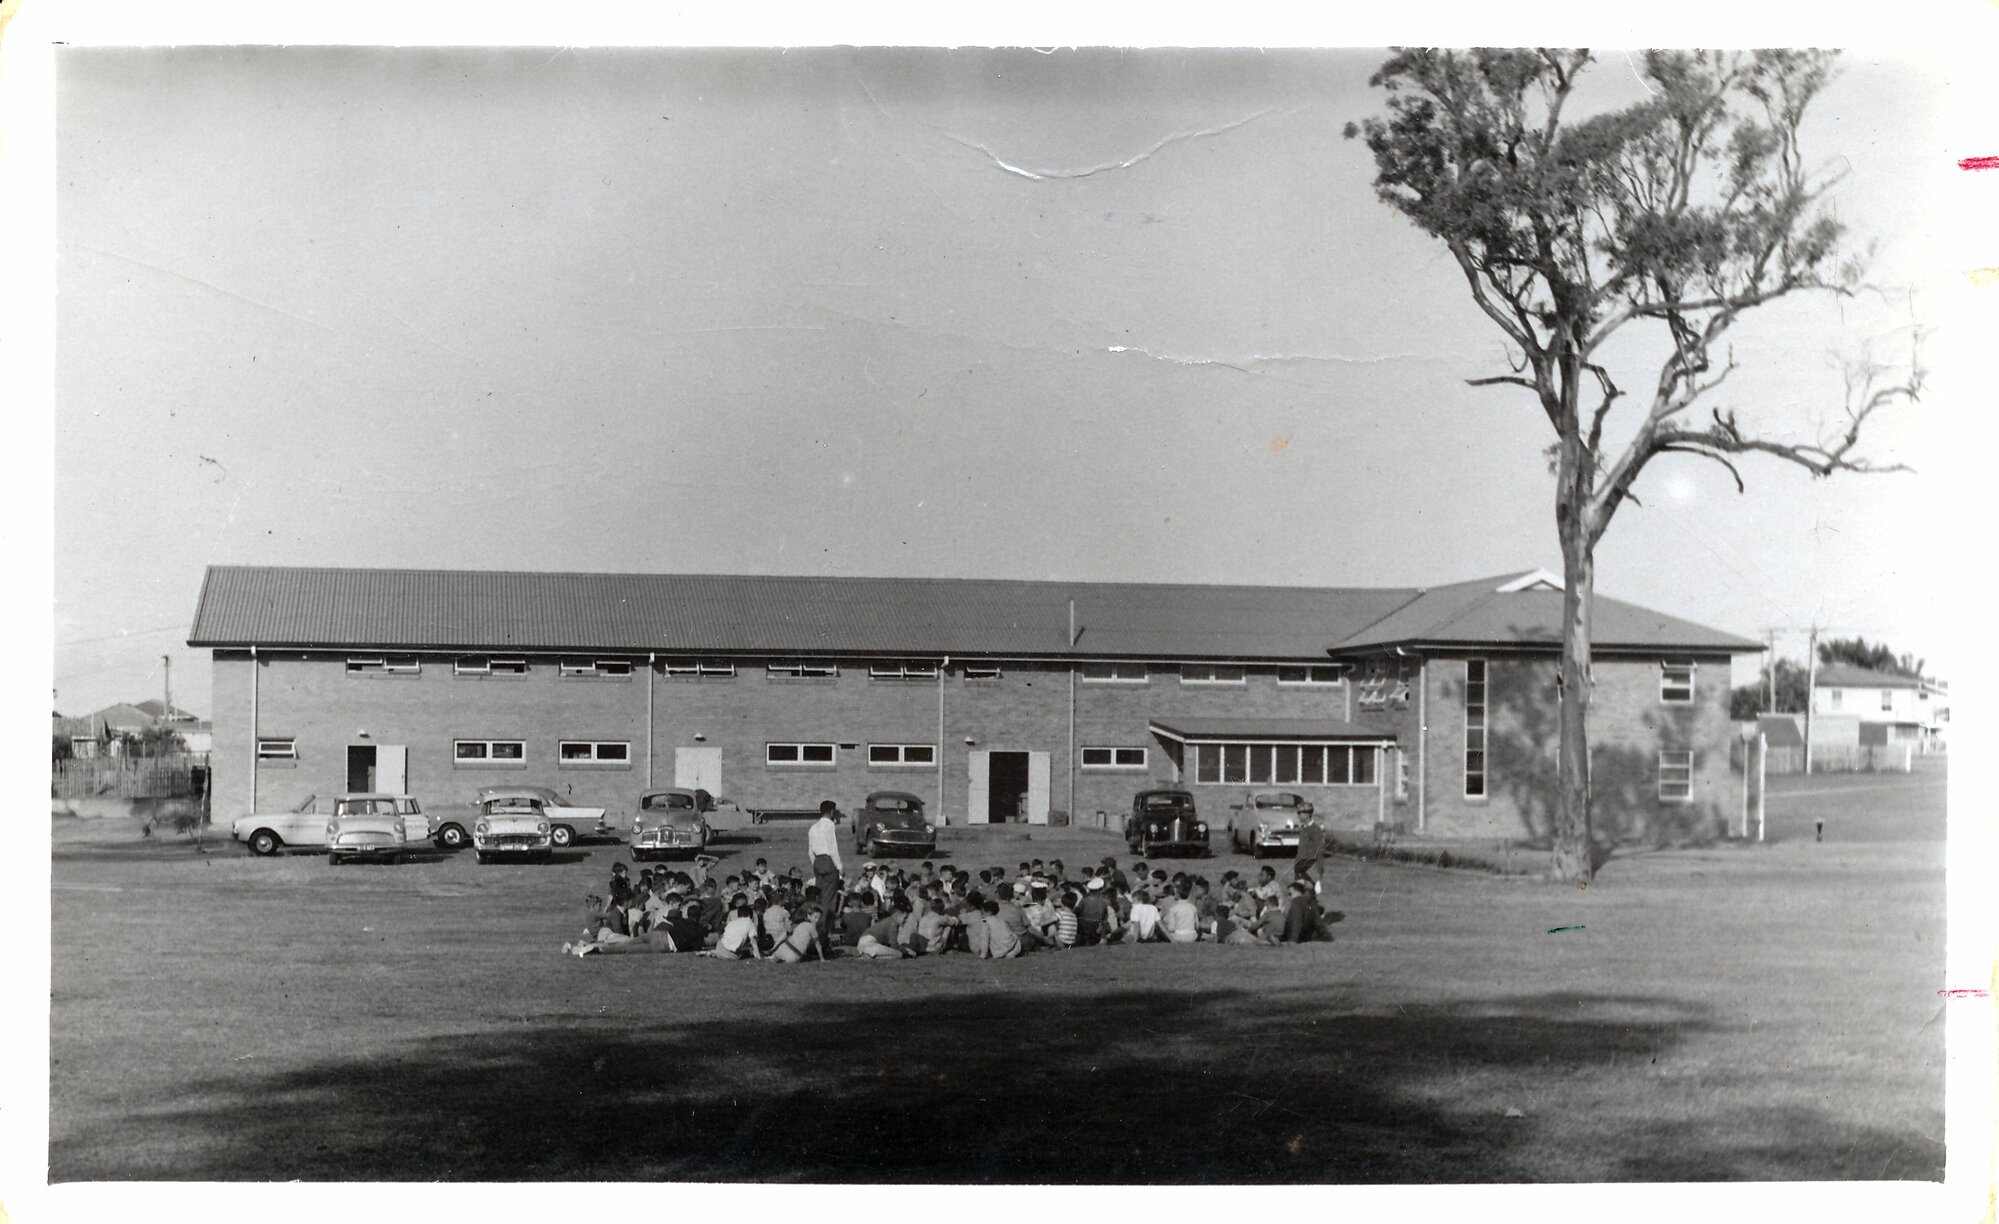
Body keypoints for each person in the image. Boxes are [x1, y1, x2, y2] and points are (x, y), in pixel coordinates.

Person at [808, 800, 845, 909]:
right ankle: (826, 922)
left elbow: (810, 851)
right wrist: (839, 866)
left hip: (817, 862)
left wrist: (815, 864)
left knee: (819, 894)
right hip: (828, 861)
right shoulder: (829, 825)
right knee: (829, 897)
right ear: (832, 811)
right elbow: (832, 847)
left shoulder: (813, 828)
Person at [1281, 879, 1322, 944]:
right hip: (1308, 937)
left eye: (1290, 894)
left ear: (1298, 893)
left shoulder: (1296, 902)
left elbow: (1297, 921)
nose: (1289, 897)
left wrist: (1293, 940)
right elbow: (1318, 923)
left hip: (1297, 938)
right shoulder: (1311, 903)